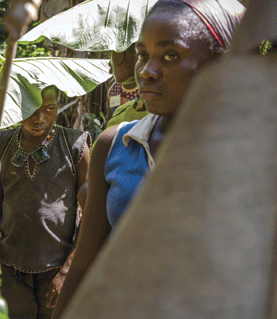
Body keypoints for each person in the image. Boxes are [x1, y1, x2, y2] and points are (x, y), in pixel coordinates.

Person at [52, 0, 245, 317]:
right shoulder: (114, 145)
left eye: (170, 56)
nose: (147, 71)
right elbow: (85, 265)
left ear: (219, 65)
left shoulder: (245, 155)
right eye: (143, 55)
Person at [0, 85, 91, 319]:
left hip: (56, 268)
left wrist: (67, 271)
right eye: (30, 109)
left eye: (49, 109)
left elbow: (91, 213)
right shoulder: (2, 143)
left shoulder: (74, 145)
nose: (39, 118)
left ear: (58, 105)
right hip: (11, 266)